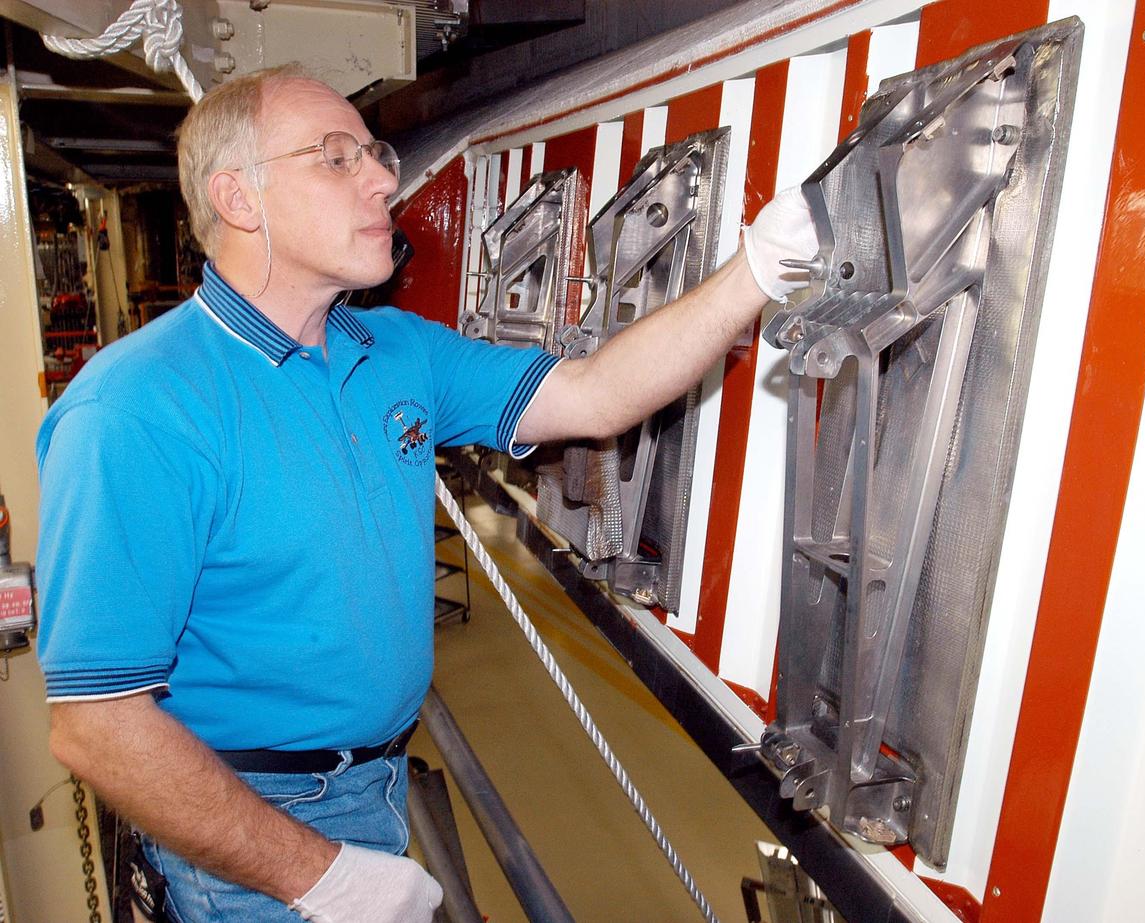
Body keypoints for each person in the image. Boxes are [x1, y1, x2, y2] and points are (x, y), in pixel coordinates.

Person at [35, 64, 818, 922]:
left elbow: (593, 394)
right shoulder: (136, 411)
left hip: (374, 784)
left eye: (374, 153)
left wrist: (756, 269)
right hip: (250, 832)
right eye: (336, 159)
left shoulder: (394, 348)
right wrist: (320, 874)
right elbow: (98, 727)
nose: (382, 179)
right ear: (238, 199)